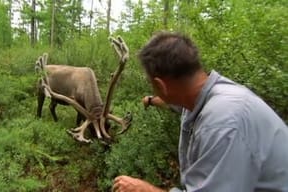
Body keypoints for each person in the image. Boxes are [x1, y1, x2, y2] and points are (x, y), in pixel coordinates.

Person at [112, 32, 288, 192]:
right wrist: (151, 100)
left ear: (160, 85)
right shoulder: (210, 97)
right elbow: (177, 104)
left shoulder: (221, 124)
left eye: (153, 85)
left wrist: (145, 190)